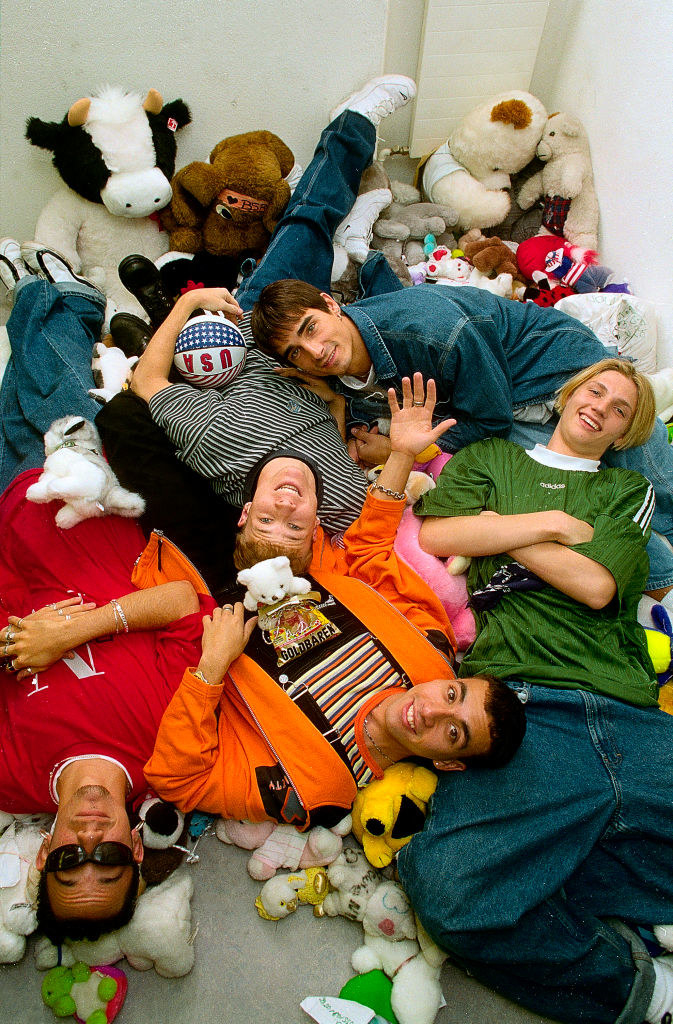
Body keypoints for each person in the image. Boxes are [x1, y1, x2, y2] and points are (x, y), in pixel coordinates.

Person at [392, 358, 673, 1024]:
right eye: (593, 391)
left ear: (625, 432)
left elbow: (597, 587)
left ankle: (569, 867)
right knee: (453, 892)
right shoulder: (490, 455)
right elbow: (438, 532)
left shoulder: (625, 491)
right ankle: (646, 990)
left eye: (618, 408)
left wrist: (497, 526)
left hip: (625, 702)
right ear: (566, 394)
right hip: (519, 708)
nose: (600, 407)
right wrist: (546, 523)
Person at [143, 375, 526, 824]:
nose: (433, 709)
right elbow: (370, 555)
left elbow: (178, 781)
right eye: (452, 693)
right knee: (252, 436)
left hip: (201, 596)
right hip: (291, 545)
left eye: (453, 732)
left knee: (134, 431)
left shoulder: (320, 791)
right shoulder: (429, 652)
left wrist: (209, 672)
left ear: (448, 763)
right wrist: (402, 454)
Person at [99, 75, 421, 556]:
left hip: (238, 326)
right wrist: (333, 406)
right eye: (295, 528)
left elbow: (148, 385)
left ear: (246, 514)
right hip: (293, 342)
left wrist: (192, 303)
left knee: (305, 225)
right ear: (313, 532)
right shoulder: (342, 508)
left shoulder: (218, 443)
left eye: (268, 520)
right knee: (316, 239)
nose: (288, 509)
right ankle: (354, 161)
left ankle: (167, 315)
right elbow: (352, 482)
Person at [0, 249, 216, 942]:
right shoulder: (168, 756)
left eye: (70, 861)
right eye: (105, 862)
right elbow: (187, 601)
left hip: (3, 531)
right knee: (51, 367)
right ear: (133, 851)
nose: (90, 838)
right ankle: (59, 289)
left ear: (44, 854)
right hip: (82, 500)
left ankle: (40, 291)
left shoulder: (11, 781)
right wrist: (75, 630)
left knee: (16, 392)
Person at [249, 261, 673, 602]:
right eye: (296, 353)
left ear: (330, 304)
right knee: (557, 492)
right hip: (500, 404)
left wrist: (413, 452)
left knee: (654, 475)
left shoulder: (435, 333)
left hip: (558, 372)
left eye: (310, 328)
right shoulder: (338, 375)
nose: (315, 351)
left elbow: (489, 422)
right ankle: (657, 575)